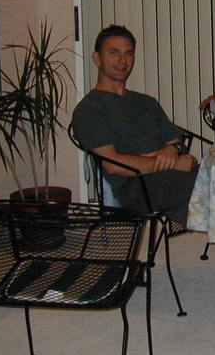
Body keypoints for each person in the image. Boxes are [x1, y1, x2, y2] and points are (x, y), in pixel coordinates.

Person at [72, 25, 198, 224]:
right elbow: (113, 165)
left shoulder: (146, 102)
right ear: (97, 58)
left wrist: (172, 150)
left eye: (128, 54)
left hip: (171, 179)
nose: (123, 60)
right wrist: (173, 162)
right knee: (212, 185)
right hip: (134, 188)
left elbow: (177, 142)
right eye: (114, 53)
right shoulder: (90, 109)